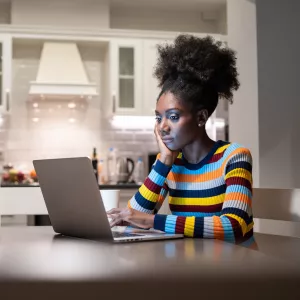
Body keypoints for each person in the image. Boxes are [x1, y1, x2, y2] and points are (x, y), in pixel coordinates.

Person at [108, 34, 254, 246]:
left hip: (237, 268)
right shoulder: (172, 165)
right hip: (191, 266)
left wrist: (152, 221)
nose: (162, 126)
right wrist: (164, 162)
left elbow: (232, 226)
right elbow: (133, 219)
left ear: (201, 117)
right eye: (158, 117)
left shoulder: (234, 157)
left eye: (173, 116)